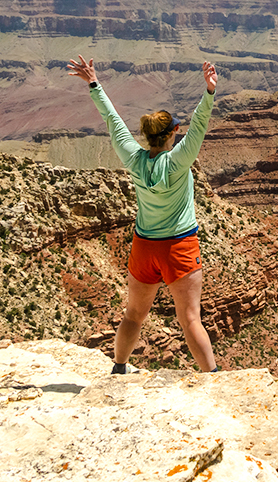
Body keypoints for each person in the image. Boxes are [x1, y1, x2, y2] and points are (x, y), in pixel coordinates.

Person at [66, 55, 221, 374]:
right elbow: (200, 128)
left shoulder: (134, 159)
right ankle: (214, 381)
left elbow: (113, 121)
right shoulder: (178, 162)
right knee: (190, 318)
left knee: (133, 315)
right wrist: (208, 92)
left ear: (146, 136)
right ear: (173, 132)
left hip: (144, 247)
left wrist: (94, 84)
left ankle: (119, 368)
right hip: (179, 247)